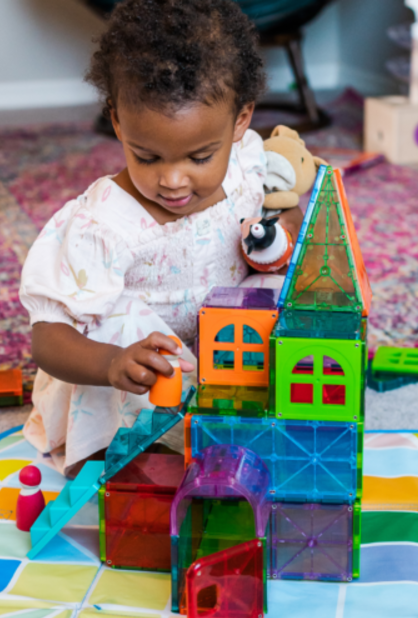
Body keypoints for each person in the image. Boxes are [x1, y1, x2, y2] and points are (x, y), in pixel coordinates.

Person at [19, 0, 302, 475]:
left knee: (279, 288)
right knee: (120, 320)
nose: (172, 181)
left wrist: (283, 231)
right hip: (137, 373)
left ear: (240, 121)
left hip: (222, 348)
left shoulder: (245, 166)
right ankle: (125, 453)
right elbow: (48, 339)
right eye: (147, 157)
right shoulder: (101, 225)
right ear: (117, 122)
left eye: (199, 157)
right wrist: (112, 363)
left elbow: (284, 204)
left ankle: (246, 415)